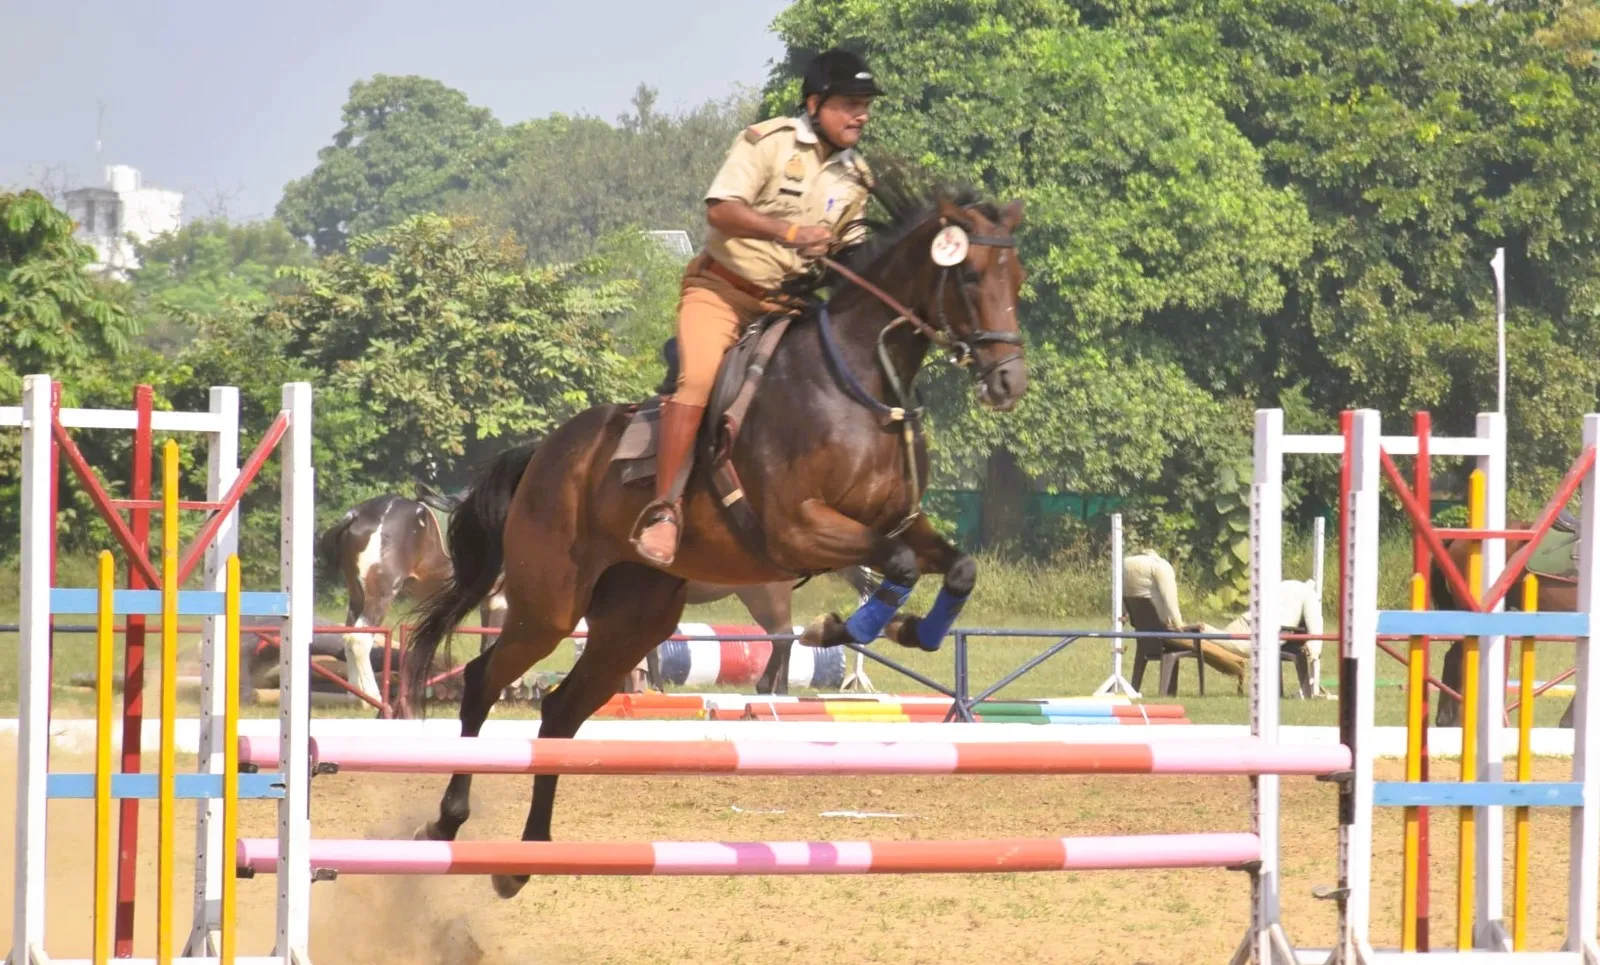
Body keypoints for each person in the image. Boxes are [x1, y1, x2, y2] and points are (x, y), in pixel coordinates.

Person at [631, 48, 882, 567]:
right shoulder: (769, 144)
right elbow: (721, 210)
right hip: (722, 293)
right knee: (697, 382)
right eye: (849, 104)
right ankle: (665, 511)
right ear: (815, 104)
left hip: (790, 307)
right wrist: (791, 232)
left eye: (866, 105)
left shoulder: (857, 174)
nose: (861, 114)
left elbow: (854, 245)